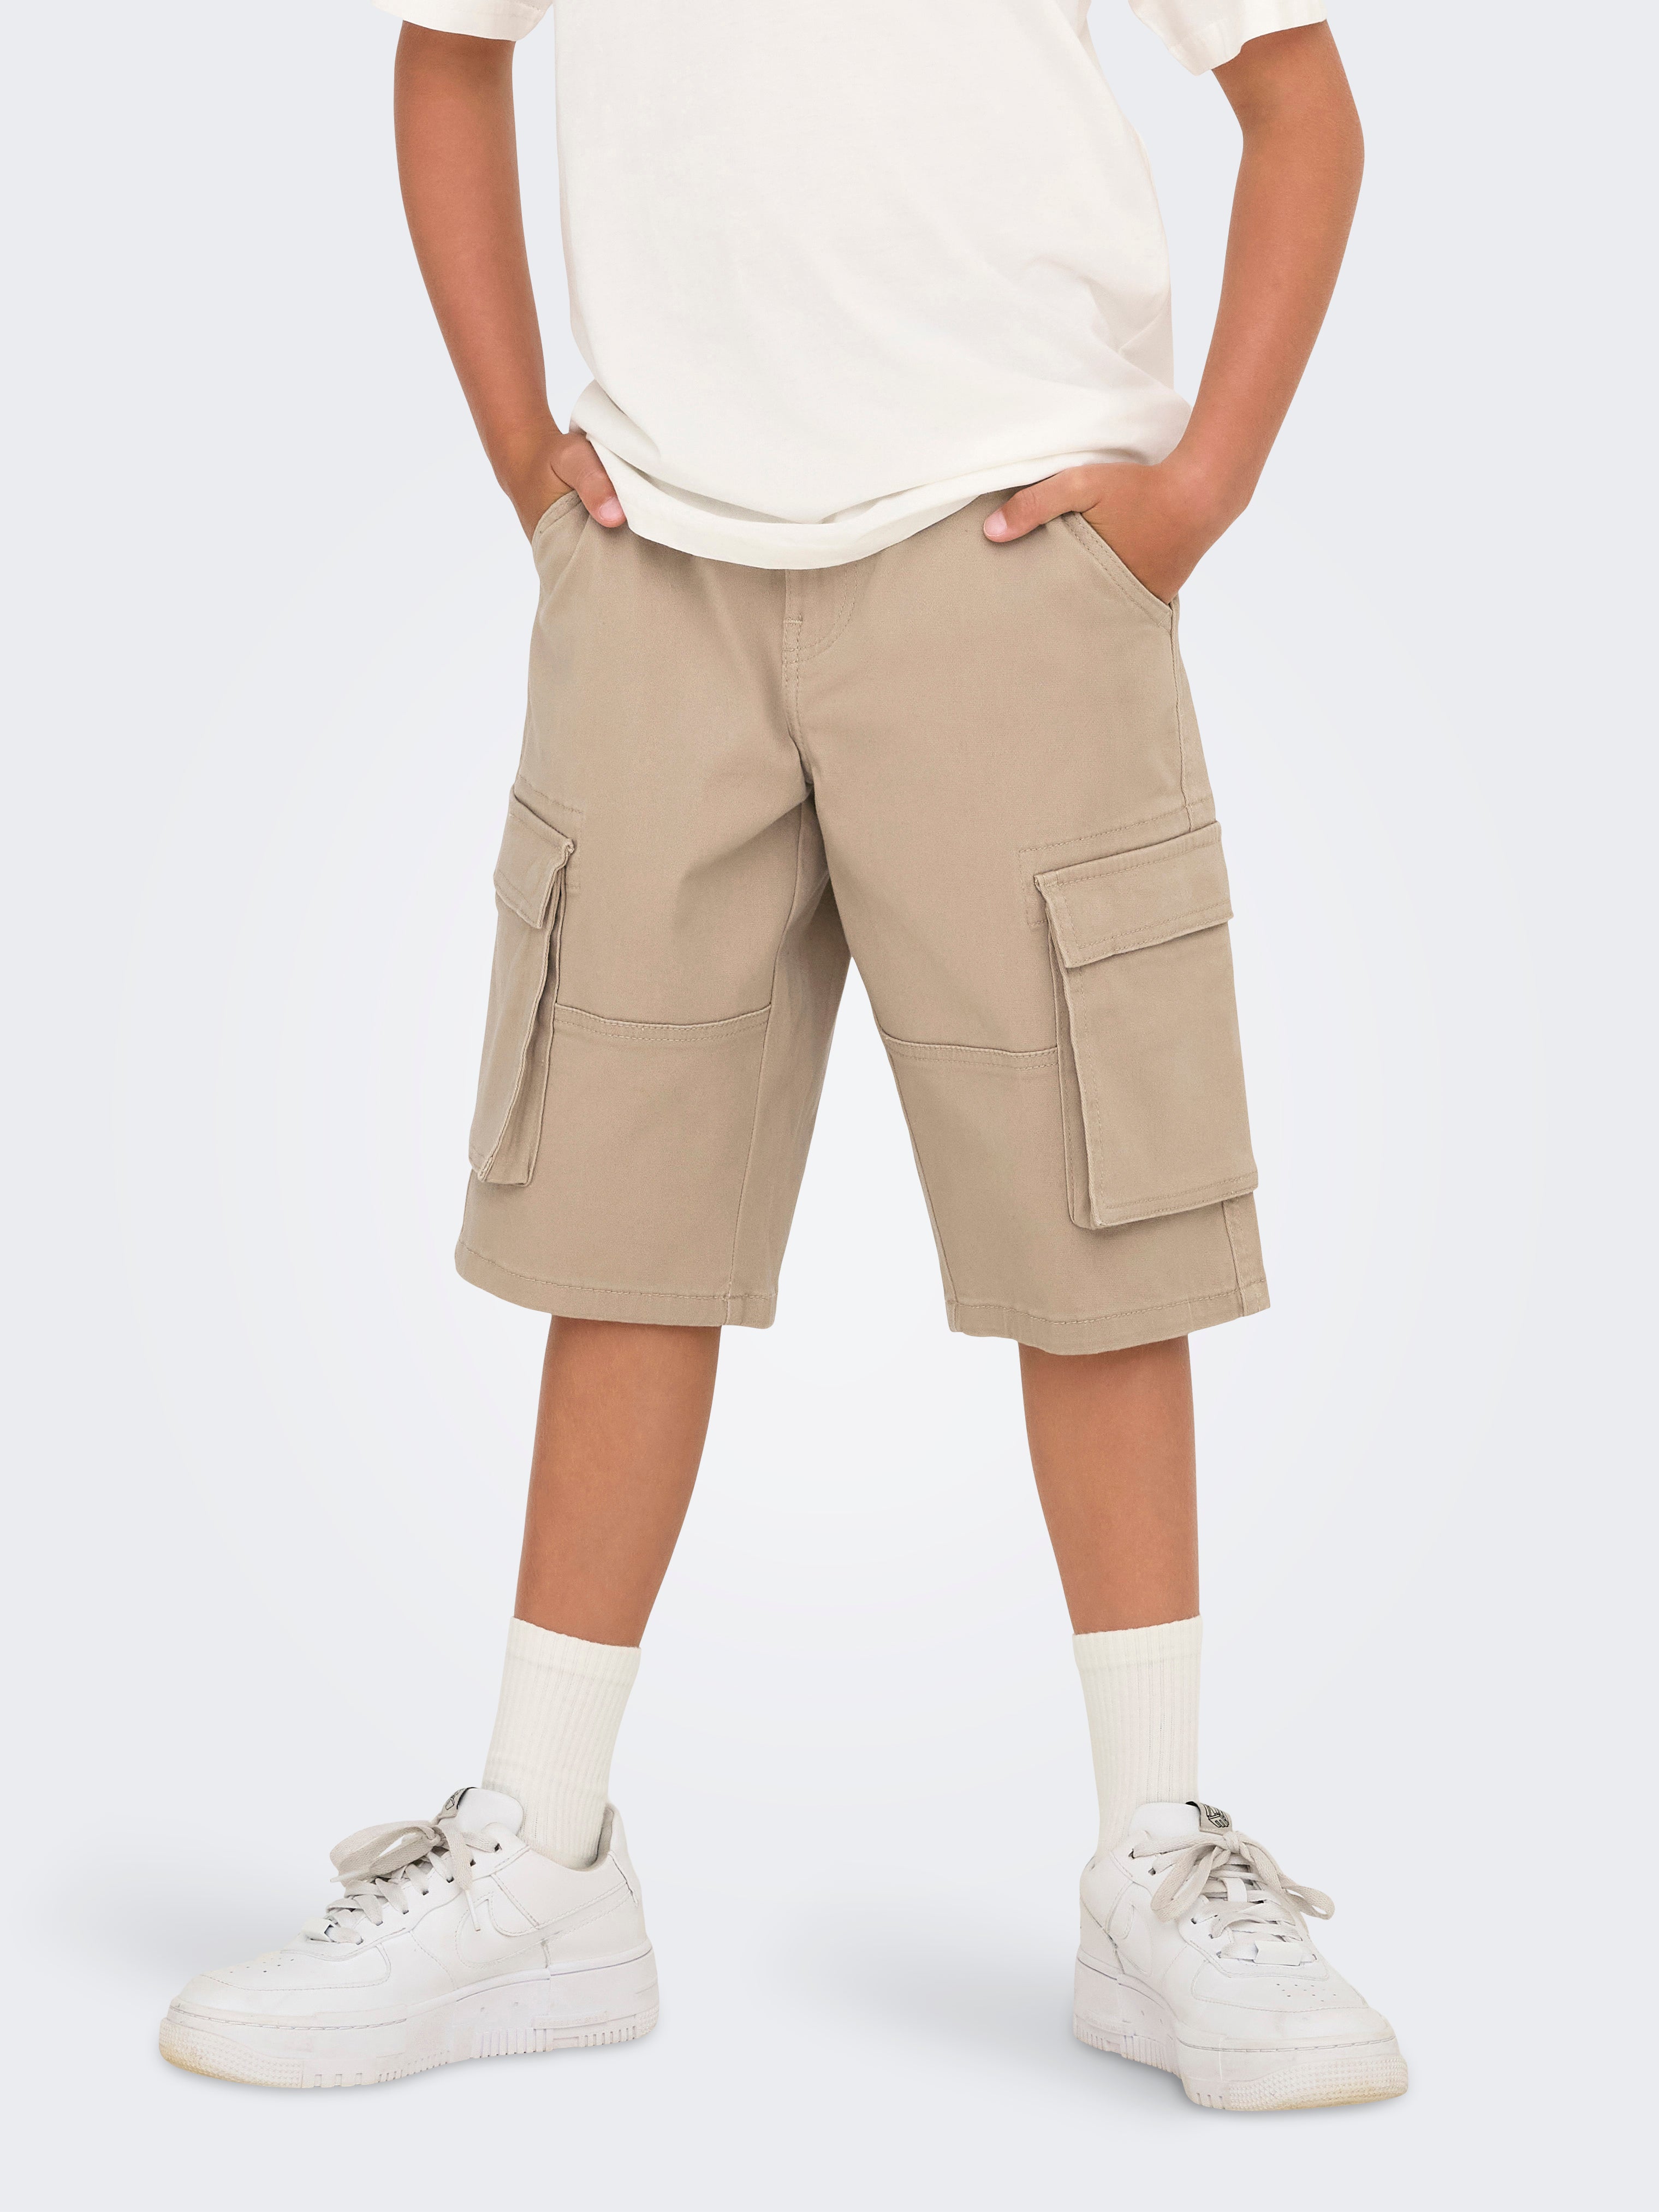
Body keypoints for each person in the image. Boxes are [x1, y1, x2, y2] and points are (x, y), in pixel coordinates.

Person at [160, 2, 1399, 2110]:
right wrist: (522, 455)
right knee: (619, 1219)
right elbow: (446, 53)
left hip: (1014, 553)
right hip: (657, 559)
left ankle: (1156, 1855)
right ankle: (541, 1854)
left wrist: (1192, 496)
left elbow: (1300, 102)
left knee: (1099, 1220)